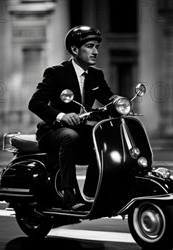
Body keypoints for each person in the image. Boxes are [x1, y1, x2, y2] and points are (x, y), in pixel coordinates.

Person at [28, 25, 119, 210]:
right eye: (90, 46)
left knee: (103, 136)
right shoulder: (56, 73)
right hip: (53, 131)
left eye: (97, 47)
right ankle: (68, 195)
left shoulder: (96, 75)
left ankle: (93, 192)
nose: (95, 51)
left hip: (80, 129)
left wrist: (118, 101)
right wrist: (62, 116)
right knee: (70, 136)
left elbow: (108, 98)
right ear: (75, 49)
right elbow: (35, 103)